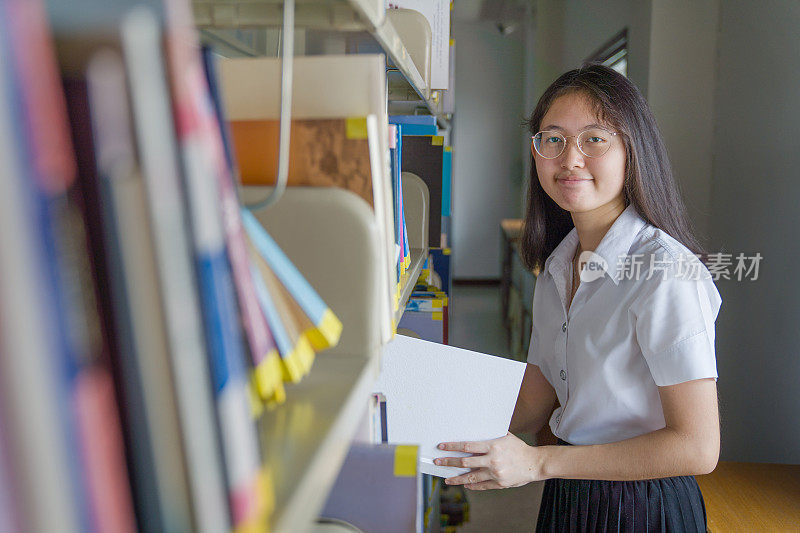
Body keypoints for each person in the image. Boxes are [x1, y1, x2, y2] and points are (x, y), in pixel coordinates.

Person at [435, 64, 722, 532]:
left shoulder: (664, 271)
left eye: (594, 138)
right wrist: (422, 414)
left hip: (643, 504)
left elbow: (697, 447)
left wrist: (539, 463)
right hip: (571, 494)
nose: (569, 159)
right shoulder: (557, 264)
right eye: (552, 139)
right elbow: (535, 397)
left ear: (633, 150)